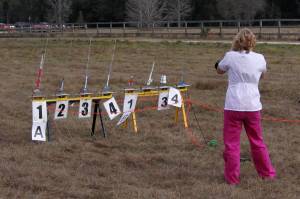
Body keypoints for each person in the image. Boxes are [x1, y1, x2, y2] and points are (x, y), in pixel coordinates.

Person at [215, 28, 276, 185]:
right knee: (257, 141)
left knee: (232, 144)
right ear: (253, 42)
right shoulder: (260, 58)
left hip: (234, 105)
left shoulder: (230, 56)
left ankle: (232, 178)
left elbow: (219, 70)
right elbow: (262, 74)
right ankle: (267, 174)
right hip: (252, 105)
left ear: (237, 41)